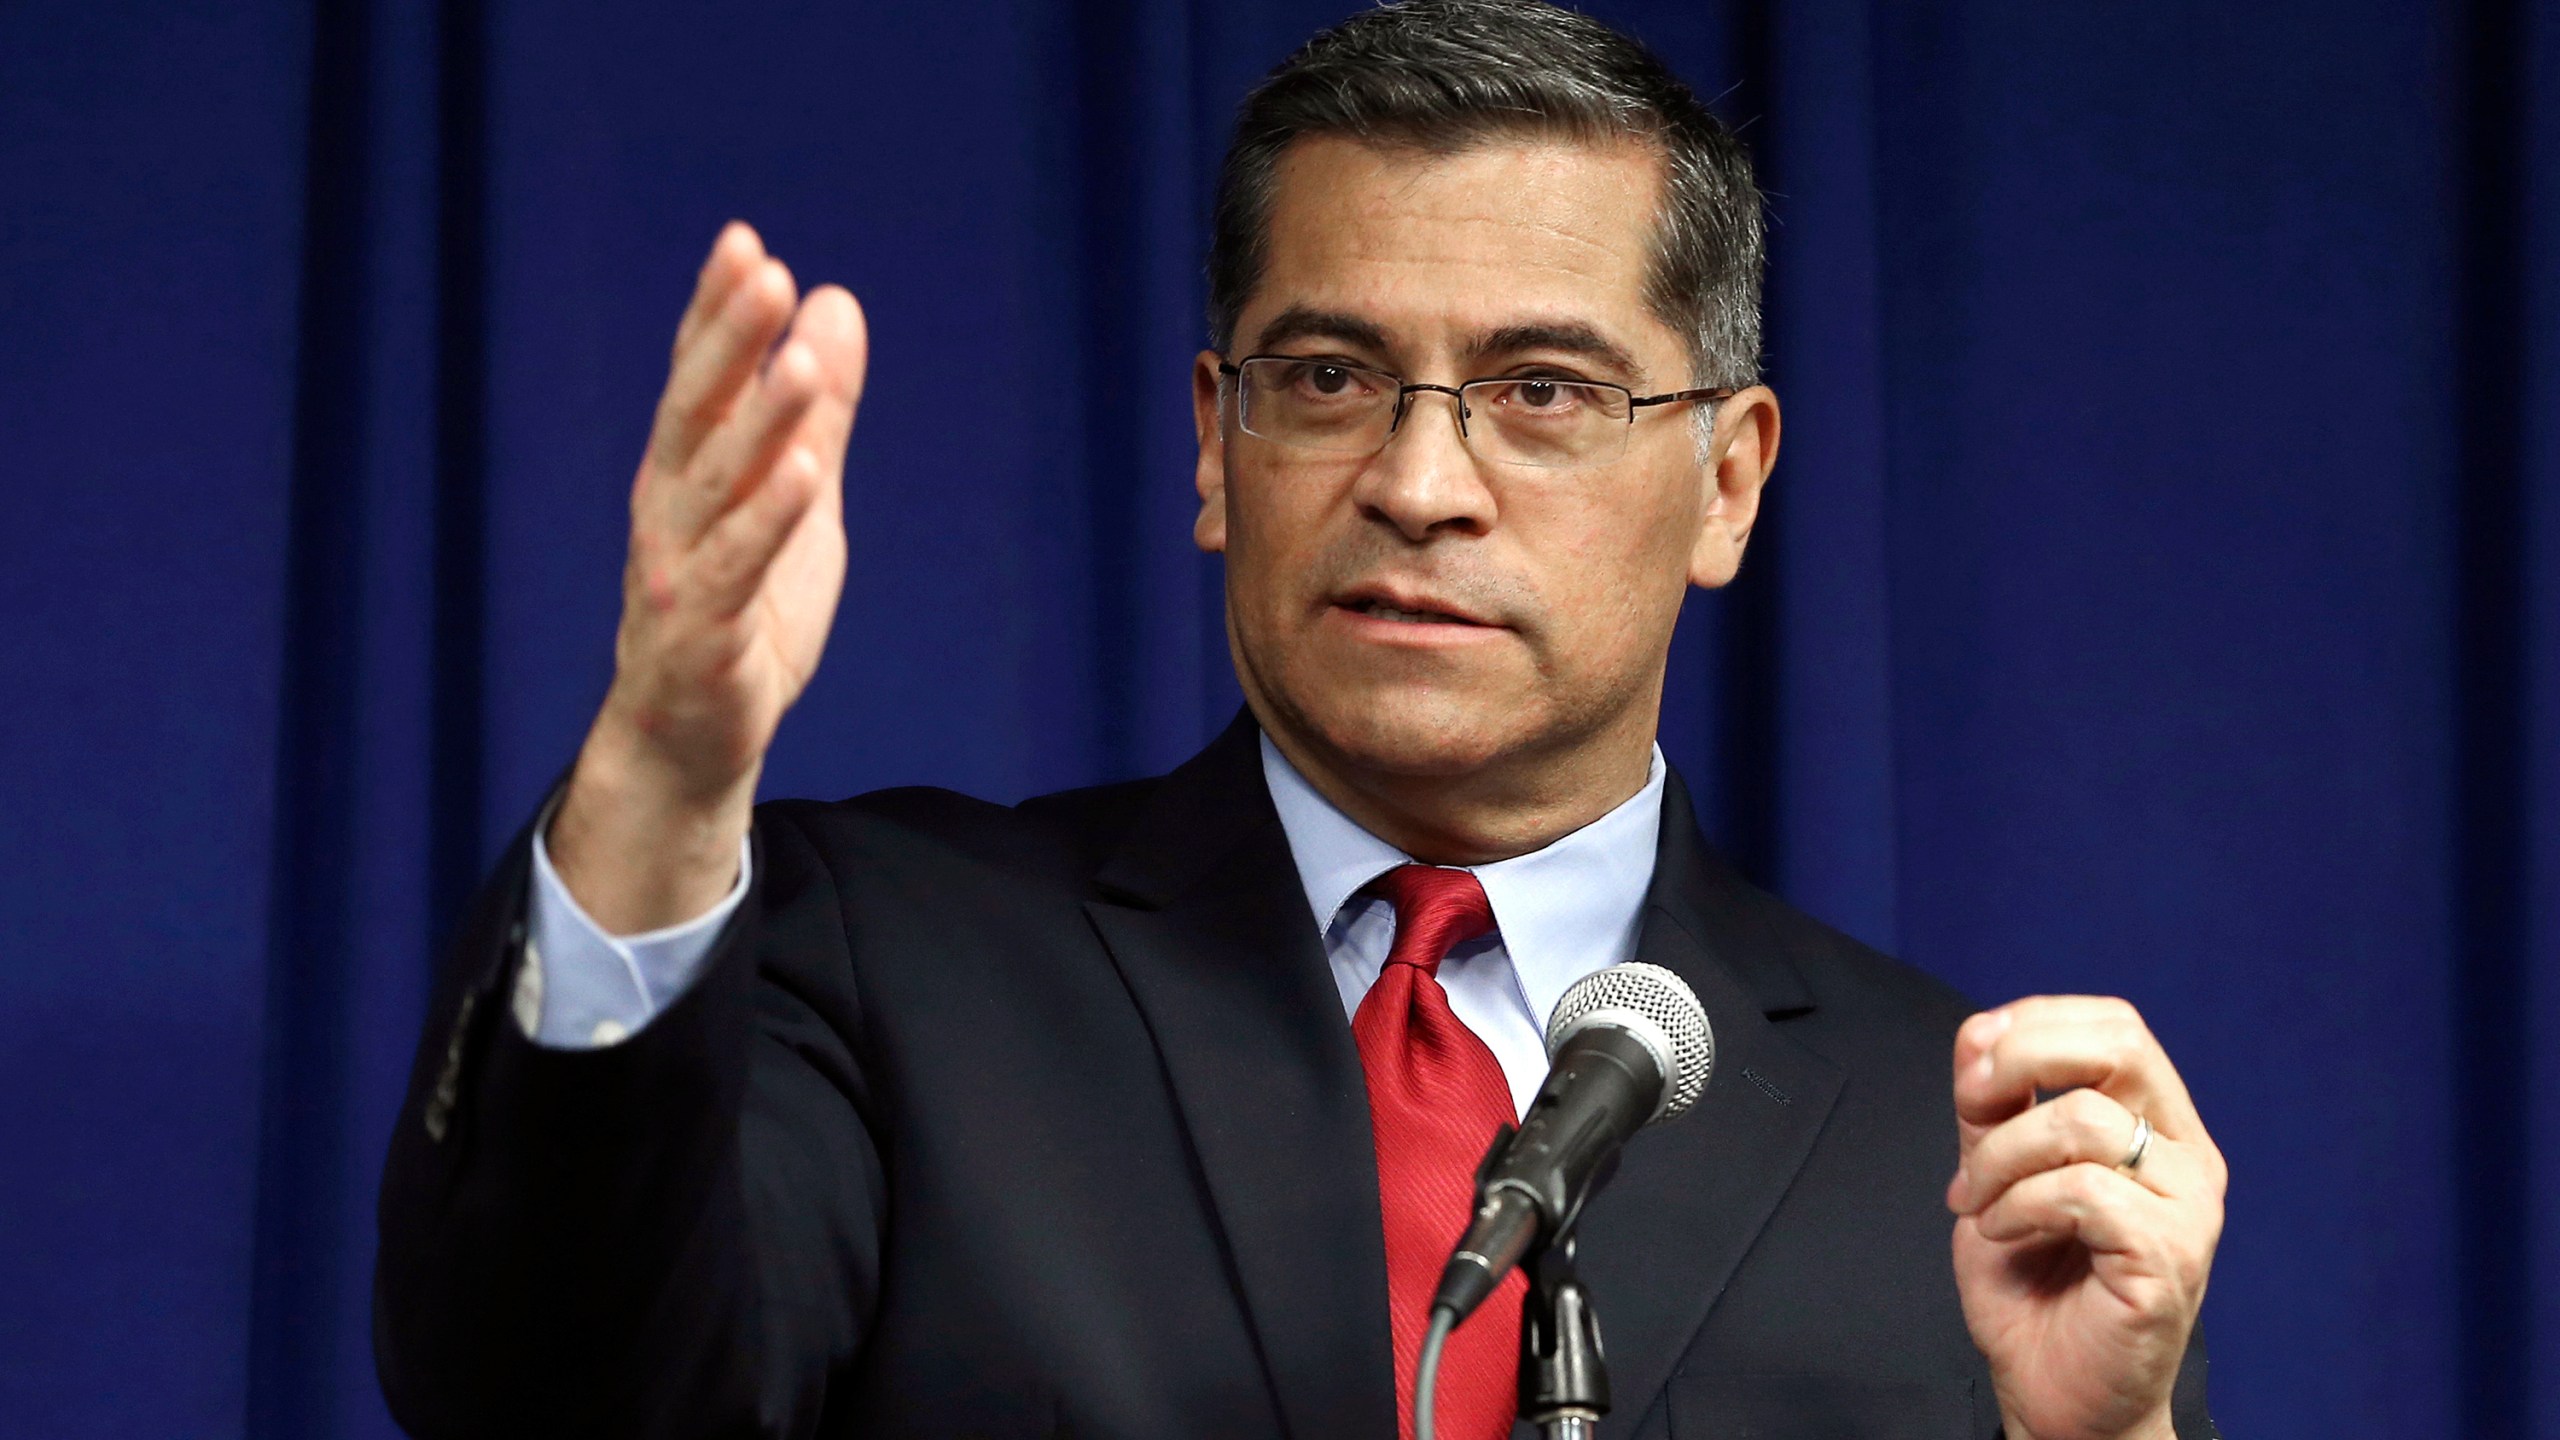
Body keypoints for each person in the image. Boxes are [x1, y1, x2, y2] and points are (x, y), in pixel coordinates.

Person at [375, 2, 2226, 1437]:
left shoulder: (1954, 1137)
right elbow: (558, 1388)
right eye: (1331, 377)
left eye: (1543, 390)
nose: (1422, 480)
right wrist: (665, 781)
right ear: (1213, 442)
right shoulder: (886, 959)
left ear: (1729, 483)